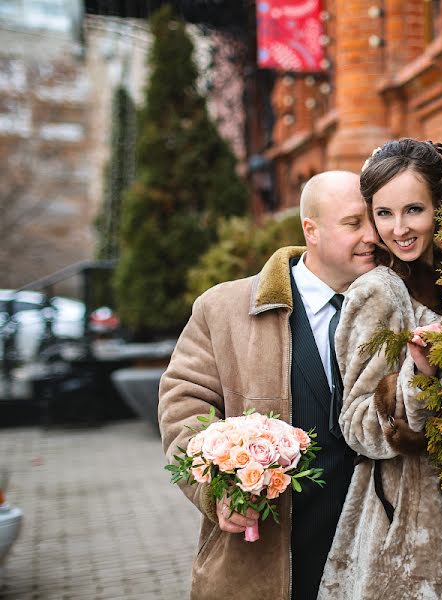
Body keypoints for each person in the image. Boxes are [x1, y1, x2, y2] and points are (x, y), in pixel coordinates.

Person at [158, 171, 378, 599]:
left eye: (375, 219)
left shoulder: (397, 306)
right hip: (269, 554)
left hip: (370, 546)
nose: (372, 235)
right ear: (310, 231)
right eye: (355, 223)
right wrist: (215, 490)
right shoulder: (223, 309)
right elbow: (183, 404)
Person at [318, 139, 442, 599]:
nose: (398, 229)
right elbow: (357, 424)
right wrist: (417, 376)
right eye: (383, 213)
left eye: (413, 210)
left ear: (439, 206)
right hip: (405, 527)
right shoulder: (379, 292)